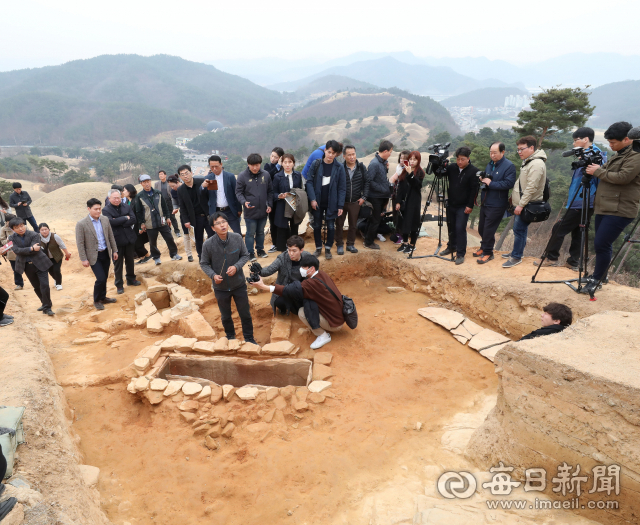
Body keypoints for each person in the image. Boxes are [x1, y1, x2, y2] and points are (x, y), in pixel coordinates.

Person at [581, 121, 640, 295]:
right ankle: (602, 275)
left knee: (602, 243)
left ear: (627, 139)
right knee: (602, 244)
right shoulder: (621, 153)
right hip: (606, 205)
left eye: (613, 142)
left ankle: (596, 280)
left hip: (620, 208)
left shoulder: (636, 155)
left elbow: (623, 177)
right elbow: (607, 169)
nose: (610, 145)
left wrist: (597, 171)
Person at [535, 128, 605, 270]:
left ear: (585, 139)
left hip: (584, 199)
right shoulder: (587, 154)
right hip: (582, 198)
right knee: (578, 230)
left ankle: (551, 257)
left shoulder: (597, 155)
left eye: (576, 140)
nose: (574, 144)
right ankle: (573, 262)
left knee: (559, 228)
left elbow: (599, 174)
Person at [253, 253, 344, 350]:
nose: (301, 269)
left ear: (312, 268)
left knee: (302, 312)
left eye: (304, 267)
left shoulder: (310, 284)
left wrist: (263, 286)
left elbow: (287, 290)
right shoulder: (322, 274)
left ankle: (322, 335)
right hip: (338, 316)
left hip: (334, 324)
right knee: (308, 302)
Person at [199, 212, 256, 344]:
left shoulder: (236, 237)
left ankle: (249, 338)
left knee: (245, 314)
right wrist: (213, 275)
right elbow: (203, 263)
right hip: (221, 287)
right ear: (213, 228)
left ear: (227, 222)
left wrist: (236, 267)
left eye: (224, 221)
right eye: (218, 223)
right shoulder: (208, 244)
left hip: (239, 284)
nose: (222, 225)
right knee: (225, 316)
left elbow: (245, 255)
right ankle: (230, 337)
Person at [502, 136, 547, 269]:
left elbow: (531, 187)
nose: (519, 152)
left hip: (527, 203)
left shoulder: (536, 164)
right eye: (518, 150)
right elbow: (522, 183)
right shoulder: (529, 161)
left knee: (519, 230)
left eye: (522, 149)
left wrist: (521, 204)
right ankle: (517, 252)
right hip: (522, 202)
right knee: (520, 229)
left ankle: (516, 256)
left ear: (531, 148)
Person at [475, 142, 517, 264]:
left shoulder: (509, 166)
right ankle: (483, 247)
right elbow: (488, 179)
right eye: (491, 152)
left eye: (495, 152)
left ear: (502, 152)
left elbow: (509, 184)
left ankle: (488, 253)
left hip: (497, 203)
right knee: (482, 228)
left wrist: (490, 183)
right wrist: (483, 180)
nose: (492, 155)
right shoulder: (490, 164)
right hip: (486, 201)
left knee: (488, 229)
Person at [306, 140, 346, 260]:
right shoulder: (316, 164)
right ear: (325, 150)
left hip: (332, 202)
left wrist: (340, 205)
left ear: (336, 154)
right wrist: (312, 199)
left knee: (331, 226)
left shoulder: (339, 167)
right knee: (317, 225)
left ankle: (328, 248)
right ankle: (318, 247)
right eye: (329, 152)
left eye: (333, 153)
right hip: (317, 201)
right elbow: (309, 182)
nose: (330, 155)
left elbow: (342, 188)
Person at [76, 198, 119, 310]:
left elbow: (110, 236)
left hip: (105, 252)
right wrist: (83, 259)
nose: (98, 211)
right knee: (100, 278)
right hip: (93, 256)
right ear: (89, 209)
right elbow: (80, 243)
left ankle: (103, 297)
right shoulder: (81, 224)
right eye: (96, 209)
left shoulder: (105, 219)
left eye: (100, 209)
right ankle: (97, 300)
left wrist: (114, 250)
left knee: (104, 277)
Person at [251, 234, 309, 314]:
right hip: (284, 289)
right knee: (279, 302)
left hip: (300, 289)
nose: (291, 253)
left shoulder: (308, 257)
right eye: (289, 250)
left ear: (301, 250)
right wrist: (259, 271)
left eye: (294, 251)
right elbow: (270, 269)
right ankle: (284, 309)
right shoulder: (282, 258)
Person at [440, 147, 479, 264]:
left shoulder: (473, 171)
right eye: (458, 159)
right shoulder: (452, 168)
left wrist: (470, 205)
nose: (460, 162)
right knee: (451, 227)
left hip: (463, 206)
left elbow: (474, 190)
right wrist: (439, 164)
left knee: (460, 228)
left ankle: (461, 253)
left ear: (468, 159)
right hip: (451, 203)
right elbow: (440, 175)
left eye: (462, 159)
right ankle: (451, 246)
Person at [8, 217, 54, 315]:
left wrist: (26, 250)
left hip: (40, 263)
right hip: (27, 265)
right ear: (13, 229)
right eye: (17, 227)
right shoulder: (11, 238)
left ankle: (47, 307)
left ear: (24, 225)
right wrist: (30, 248)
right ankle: (45, 302)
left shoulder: (34, 234)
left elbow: (36, 249)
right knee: (36, 286)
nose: (21, 228)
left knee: (44, 285)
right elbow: (16, 250)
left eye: (22, 225)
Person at [133, 174, 182, 265]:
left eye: (148, 181)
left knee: (169, 238)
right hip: (149, 223)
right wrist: (142, 223)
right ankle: (156, 258)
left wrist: (168, 217)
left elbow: (164, 206)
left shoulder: (158, 193)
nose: (147, 184)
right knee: (153, 242)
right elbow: (138, 211)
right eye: (144, 182)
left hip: (162, 221)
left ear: (150, 181)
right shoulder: (139, 196)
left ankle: (174, 254)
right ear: (141, 184)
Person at [102, 189, 141, 294]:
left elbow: (133, 219)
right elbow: (110, 222)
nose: (117, 200)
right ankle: (119, 285)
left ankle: (131, 279)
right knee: (118, 264)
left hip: (129, 238)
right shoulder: (106, 210)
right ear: (109, 198)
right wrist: (125, 218)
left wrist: (119, 221)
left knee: (130, 260)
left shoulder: (126, 206)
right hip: (116, 241)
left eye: (118, 197)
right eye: (114, 198)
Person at [235, 153, 273, 260]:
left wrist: (270, 204)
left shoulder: (266, 174)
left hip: (263, 211)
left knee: (261, 232)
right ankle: (250, 252)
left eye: (257, 165)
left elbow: (270, 191)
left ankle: (260, 250)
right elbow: (238, 193)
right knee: (250, 233)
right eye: (252, 165)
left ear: (260, 164)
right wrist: (244, 202)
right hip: (250, 210)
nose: (255, 168)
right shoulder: (242, 176)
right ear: (248, 164)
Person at [336, 145, 368, 255]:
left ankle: (350, 244)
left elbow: (367, 183)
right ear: (344, 156)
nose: (352, 157)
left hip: (355, 202)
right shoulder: (340, 168)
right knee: (339, 224)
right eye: (349, 155)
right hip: (342, 202)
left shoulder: (361, 168)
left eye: (353, 154)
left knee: (353, 225)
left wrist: (364, 197)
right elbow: (335, 185)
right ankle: (339, 245)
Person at [176, 165, 213, 259]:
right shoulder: (180, 190)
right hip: (195, 218)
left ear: (191, 173)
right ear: (180, 177)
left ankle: (215, 255)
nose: (185, 176)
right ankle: (201, 257)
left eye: (187, 173)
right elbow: (182, 207)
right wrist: (186, 220)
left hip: (208, 215)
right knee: (198, 239)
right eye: (182, 175)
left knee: (213, 236)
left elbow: (212, 196)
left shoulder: (202, 181)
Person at [200, 155, 242, 234]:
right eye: (212, 167)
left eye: (216, 166)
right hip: (216, 211)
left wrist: (239, 209)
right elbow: (202, 195)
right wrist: (203, 187)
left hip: (230, 210)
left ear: (221, 164)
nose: (214, 169)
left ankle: (238, 246)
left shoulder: (230, 176)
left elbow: (236, 193)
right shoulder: (207, 178)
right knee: (218, 234)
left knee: (237, 233)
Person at [364, 140, 394, 250]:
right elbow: (369, 181)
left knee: (373, 220)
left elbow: (380, 178)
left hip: (380, 196)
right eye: (390, 151)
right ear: (385, 151)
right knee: (375, 220)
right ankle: (369, 242)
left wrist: (386, 169)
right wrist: (382, 189)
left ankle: (367, 239)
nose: (391, 154)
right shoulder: (374, 164)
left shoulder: (381, 163)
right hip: (375, 196)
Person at [395, 151, 426, 254]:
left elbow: (417, 185)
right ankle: (404, 243)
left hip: (414, 201)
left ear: (418, 161)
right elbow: (400, 188)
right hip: (404, 202)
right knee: (404, 222)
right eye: (410, 159)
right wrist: (398, 201)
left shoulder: (420, 172)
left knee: (413, 222)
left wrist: (410, 174)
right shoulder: (404, 171)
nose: (412, 161)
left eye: (414, 159)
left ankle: (412, 245)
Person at [272, 153, 303, 252]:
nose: (287, 165)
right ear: (282, 164)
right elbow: (273, 192)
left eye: (290, 162)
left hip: (294, 205)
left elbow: (301, 190)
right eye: (285, 162)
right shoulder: (277, 176)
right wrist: (279, 196)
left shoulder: (298, 175)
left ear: (293, 163)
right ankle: (282, 250)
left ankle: (295, 248)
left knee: (294, 227)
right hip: (282, 205)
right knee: (282, 228)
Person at [167, 175, 195, 262]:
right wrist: (175, 208)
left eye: (173, 186)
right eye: (170, 186)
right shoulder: (173, 192)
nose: (172, 188)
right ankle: (189, 255)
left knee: (197, 234)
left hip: (194, 215)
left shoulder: (188, 188)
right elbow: (175, 202)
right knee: (186, 235)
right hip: (184, 215)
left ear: (178, 182)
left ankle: (203, 252)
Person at [124, 184, 152, 264]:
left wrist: (141, 225)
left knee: (137, 242)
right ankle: (142, 257)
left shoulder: (136, 199)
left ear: (129, 191)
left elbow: (140, 212)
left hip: (138, 224)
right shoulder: (127, 201)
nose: (123, 192)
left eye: (124, 190)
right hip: (131, 225)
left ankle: (147, 255)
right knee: (134, 242)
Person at [38, 223, 71, 291]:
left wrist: (67, 254)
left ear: (49, 229)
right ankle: (56, 279)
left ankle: (58, 284)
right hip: (46, 258)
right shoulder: (37, 238)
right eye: (42, 230)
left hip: (57, 257)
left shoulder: (55, 236)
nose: (44, 231)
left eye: (45, 229)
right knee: (50, 271)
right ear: (39, 231)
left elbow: (62, 245)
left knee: (56, 270)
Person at [264, 147, 285, 253]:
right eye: (272, 156)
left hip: (283, 199)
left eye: (275, 157)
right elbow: (268, 175)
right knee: (273, 222)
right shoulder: (267, 166)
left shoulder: (283, 167)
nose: (272, 158)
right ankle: (274, 243)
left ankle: (283, 243)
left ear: (280, 158)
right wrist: (277, 166)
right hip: (272, 198)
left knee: (282, 222)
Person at [391, 150, 411, 245]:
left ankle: (402, 236)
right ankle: (398, 234)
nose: (402, 160)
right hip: (395, 195)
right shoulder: (398, 168)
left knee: (401, 217)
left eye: (404, 158)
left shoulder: (407, 170)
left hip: (403, 198)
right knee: (395, 216)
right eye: (401, 157)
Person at [1, 211, 24, 290]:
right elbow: (2, 240)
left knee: (30, 266)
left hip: (24, 250)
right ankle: (19, 284)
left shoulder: (22, 227)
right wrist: (8, 241)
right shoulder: (4, 229)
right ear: (7, 222)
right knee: (16, 269)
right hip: (12, 252)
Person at [155, 170, 181, 237]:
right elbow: (156, 194)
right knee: (164, 217)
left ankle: (177, 231)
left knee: (172, 217)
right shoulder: (157, 184)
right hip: (161, 202)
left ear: (165, 175)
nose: (160, 175)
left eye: (162, 174)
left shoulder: (169, 182)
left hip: (169, 201)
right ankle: (168, 230)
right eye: (159, 174)